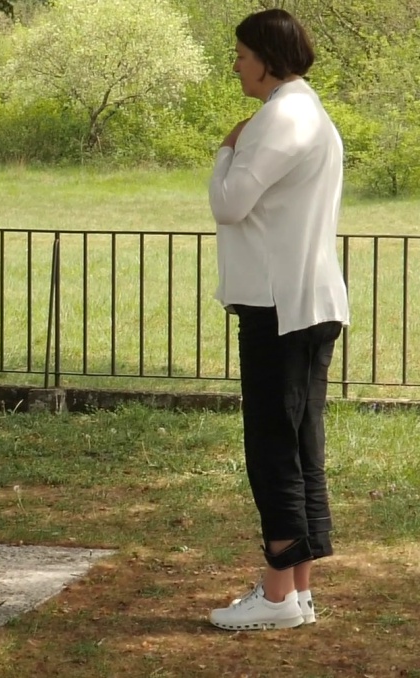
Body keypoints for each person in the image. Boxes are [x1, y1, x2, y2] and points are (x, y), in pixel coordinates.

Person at [206, 8, 350, 631]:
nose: (234, 64)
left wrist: (225, 150)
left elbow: (230, 203)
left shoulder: (279, 117)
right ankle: (298, 591)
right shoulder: (308, 111)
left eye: (241, 53)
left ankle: (277, 596)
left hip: (279, 308)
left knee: (273, 449)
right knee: (299, 446)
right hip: (308, 301)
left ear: (268, 57)